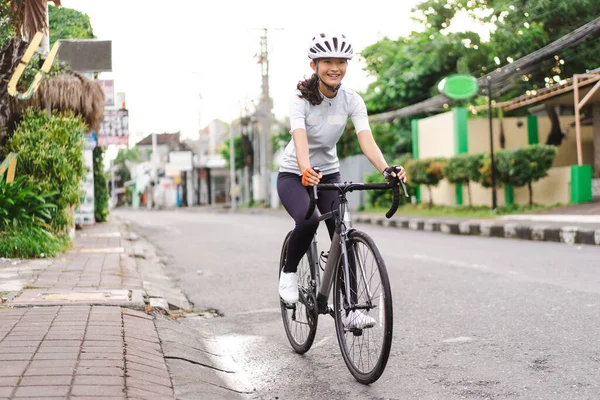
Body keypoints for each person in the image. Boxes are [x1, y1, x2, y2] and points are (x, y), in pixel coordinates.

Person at [277, 33, 406, 328]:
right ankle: (289, 272)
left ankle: (351, 310)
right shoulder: (299, 99)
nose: (334, 67)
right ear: (314, 65)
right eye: (327, 62)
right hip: (294, 175)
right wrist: (306, 169)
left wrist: (387, 170)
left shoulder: (352, 100)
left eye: (341, 62)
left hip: (329, 174)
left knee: (344, 232)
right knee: (308, 222)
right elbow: (300, 140)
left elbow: (367, 141)